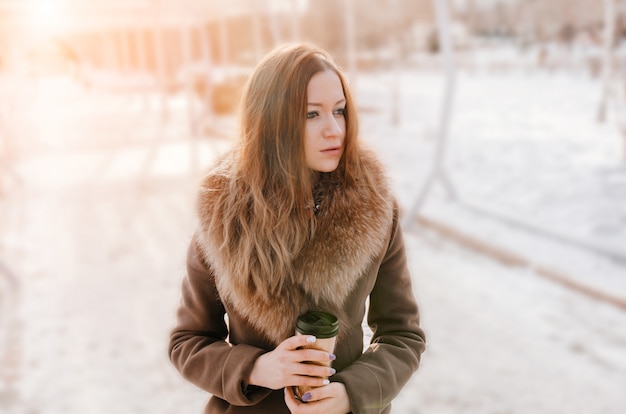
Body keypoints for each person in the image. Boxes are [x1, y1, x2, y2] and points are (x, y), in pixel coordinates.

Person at [169, 42, 426, 414]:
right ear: (272, 122)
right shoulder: (224, 219)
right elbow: (188, 341)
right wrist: (257, 368)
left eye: (339, 111)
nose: (334, 129)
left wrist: (351, 393)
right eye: (311, 115)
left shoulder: (376, 210)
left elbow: (402, 334)